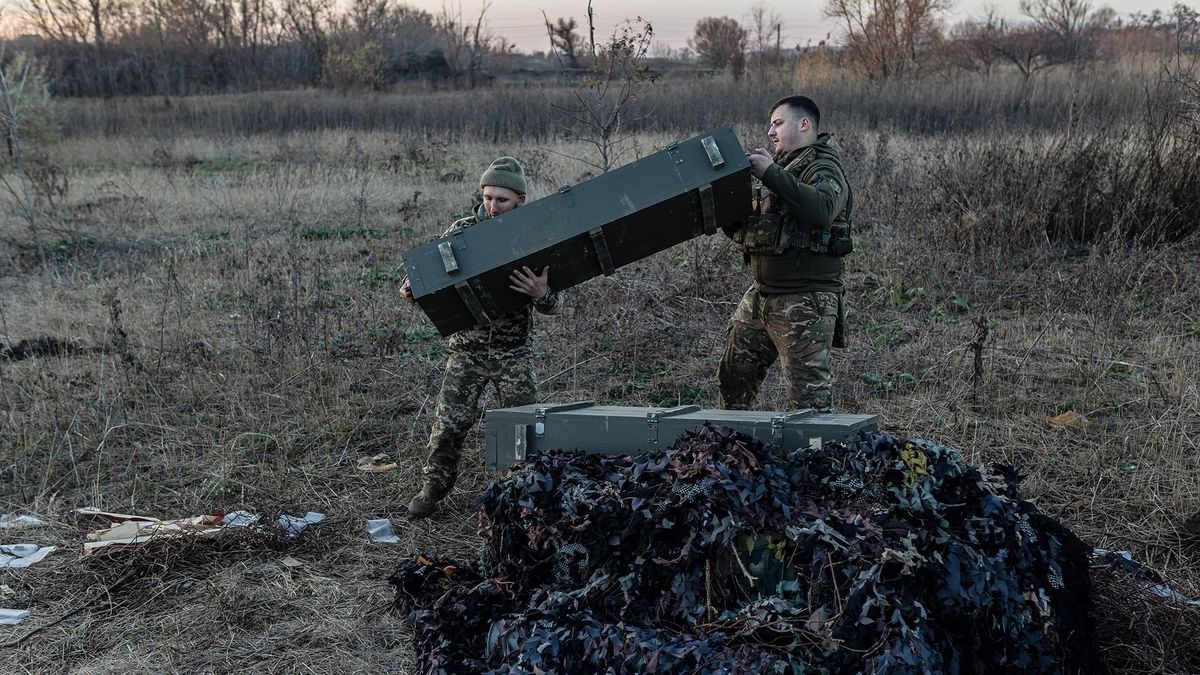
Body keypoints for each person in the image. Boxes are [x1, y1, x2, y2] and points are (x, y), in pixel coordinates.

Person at [399, 156, 561, 518]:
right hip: (466, 350)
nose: (492, 206)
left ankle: (527, 493)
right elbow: (431, 278)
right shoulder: (461, 231)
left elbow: (554, 305)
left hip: (513, 353)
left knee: (525, 428)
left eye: (502, 199)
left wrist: (541, 293)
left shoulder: (534, 234)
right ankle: (433, 489)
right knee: (448, 426)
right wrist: (412, 290)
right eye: (487, 197)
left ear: (520, 199)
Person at [717, 95, 853, 411]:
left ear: (803, 124)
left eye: (778, 123)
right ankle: (732, 449)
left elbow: (821, 210)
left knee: (809, 402)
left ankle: (816, 456)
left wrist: (771, 174)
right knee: (733, 378)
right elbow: (745, 228)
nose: (771, 131)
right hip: (760, 297)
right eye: (771, 125)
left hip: (804, 300)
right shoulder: (782, 168)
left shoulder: (824, 166)